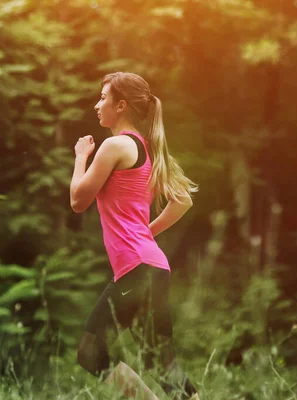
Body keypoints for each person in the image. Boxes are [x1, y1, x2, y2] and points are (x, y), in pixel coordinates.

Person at [70, 72, 199, 399]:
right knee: (163, 364)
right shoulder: (148, 148)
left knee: (90, 351)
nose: (97, 104)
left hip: (136, 270)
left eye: (103, 98)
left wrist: (80, 157)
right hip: (153, 267)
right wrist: (147, 236)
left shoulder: (115, 146)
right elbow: (183, 200)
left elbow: (78, 200)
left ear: (121, 105)